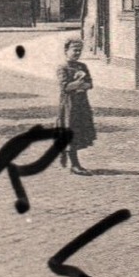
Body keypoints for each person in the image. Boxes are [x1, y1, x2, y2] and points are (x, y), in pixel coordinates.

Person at [57, 36, 96, 175]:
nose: (77, 53)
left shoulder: (82, 66)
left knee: (80, 130)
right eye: (74, 50)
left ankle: (71, 160)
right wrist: (79, 83)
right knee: (71, 130)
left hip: (82, 103)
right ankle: (75, 165)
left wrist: (81, 84)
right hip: (69, 104)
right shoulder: (63, 67)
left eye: (79, 51)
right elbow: (65, 87)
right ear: (66, 51)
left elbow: (90, 84)